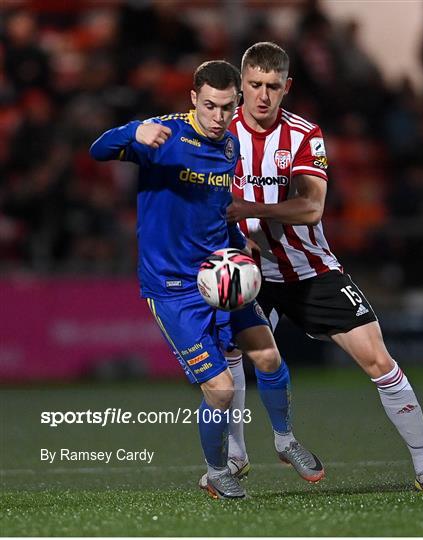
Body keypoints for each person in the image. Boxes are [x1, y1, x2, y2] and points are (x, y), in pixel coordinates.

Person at [223, 42, 423, 494]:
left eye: (273, 86)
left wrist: (248, 207)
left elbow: (312, 208)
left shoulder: (304, 135)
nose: (263, 96)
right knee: (230, 354)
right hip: (253, 273)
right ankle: (235, 458)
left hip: (313, 271)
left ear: (286, 87)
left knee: (379, 361)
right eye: (254, 85)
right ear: (240, 86)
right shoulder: (221, 132)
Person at [89, 60, 322, 500]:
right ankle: (218, 470)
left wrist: (240, 245)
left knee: (269, 358)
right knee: (220, 389)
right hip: (173, 289)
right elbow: (97, 149)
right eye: (210, 106)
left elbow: (218, 208)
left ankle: (286, 441)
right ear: (193, 98)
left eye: (227, 108)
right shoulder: (162, 135)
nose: (218, 117)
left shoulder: (229, 146)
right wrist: (132, 132)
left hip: (223, 276)